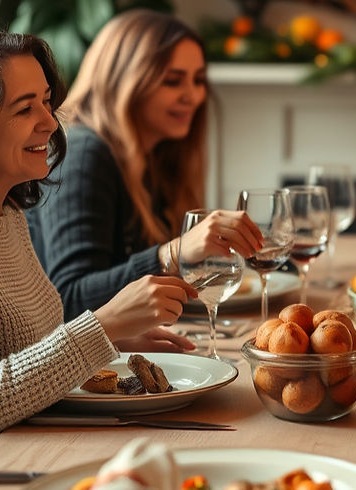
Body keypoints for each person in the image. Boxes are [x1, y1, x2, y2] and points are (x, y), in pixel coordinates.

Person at [0, 30, 202, 488]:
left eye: (47, 102)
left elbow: (21, 355)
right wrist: (103, 327)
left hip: (16, 454)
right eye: (24, 108)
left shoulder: (4, 213)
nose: (51, 123)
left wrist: (112, 342)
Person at [26, 10, 263, 322]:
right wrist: (173, 254)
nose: (192, 96)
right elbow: (69, 299)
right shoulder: (84, 154)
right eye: (173, 80)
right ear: (124, 79)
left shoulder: (157, 153)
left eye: (198, 80)